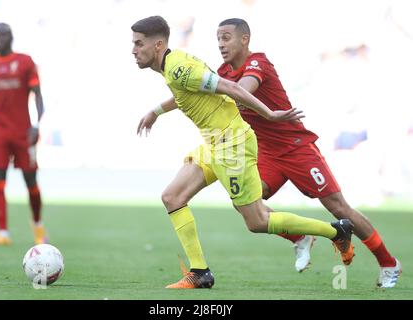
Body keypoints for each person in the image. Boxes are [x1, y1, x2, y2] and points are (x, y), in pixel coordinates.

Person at [133, 15, 354, 289]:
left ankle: (336, 230)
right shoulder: (173, 65)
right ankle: (200, 272)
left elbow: (231, 88)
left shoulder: (178, 68)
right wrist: (155, 112)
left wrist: (270, 114)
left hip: (232, 143)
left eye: (139, 44)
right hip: (215, 142)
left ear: (157, 45)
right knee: (172, 196)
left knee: (257, 221)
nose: (134, 50)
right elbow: (184, 94)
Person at [215, 18, 401, 288]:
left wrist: (213, 88)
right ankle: (299, 237)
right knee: (244, 202)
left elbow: (242, 92)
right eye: (218, 38)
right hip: (268, 154)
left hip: (296, 148)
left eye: (226, 37)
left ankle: (388, 263)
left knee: (339, 208)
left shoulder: (258, 63)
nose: (221, 44)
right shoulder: (223, 71)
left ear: (244, 39)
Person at [0, 23, 47, 246]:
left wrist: (37, 124)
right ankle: (3, 233)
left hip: (23, 132)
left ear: (11, 37)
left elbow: (38, 95)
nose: (0, 39)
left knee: (30, 180)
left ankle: (38, 226)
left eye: (4, 35)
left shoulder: (25, 62)